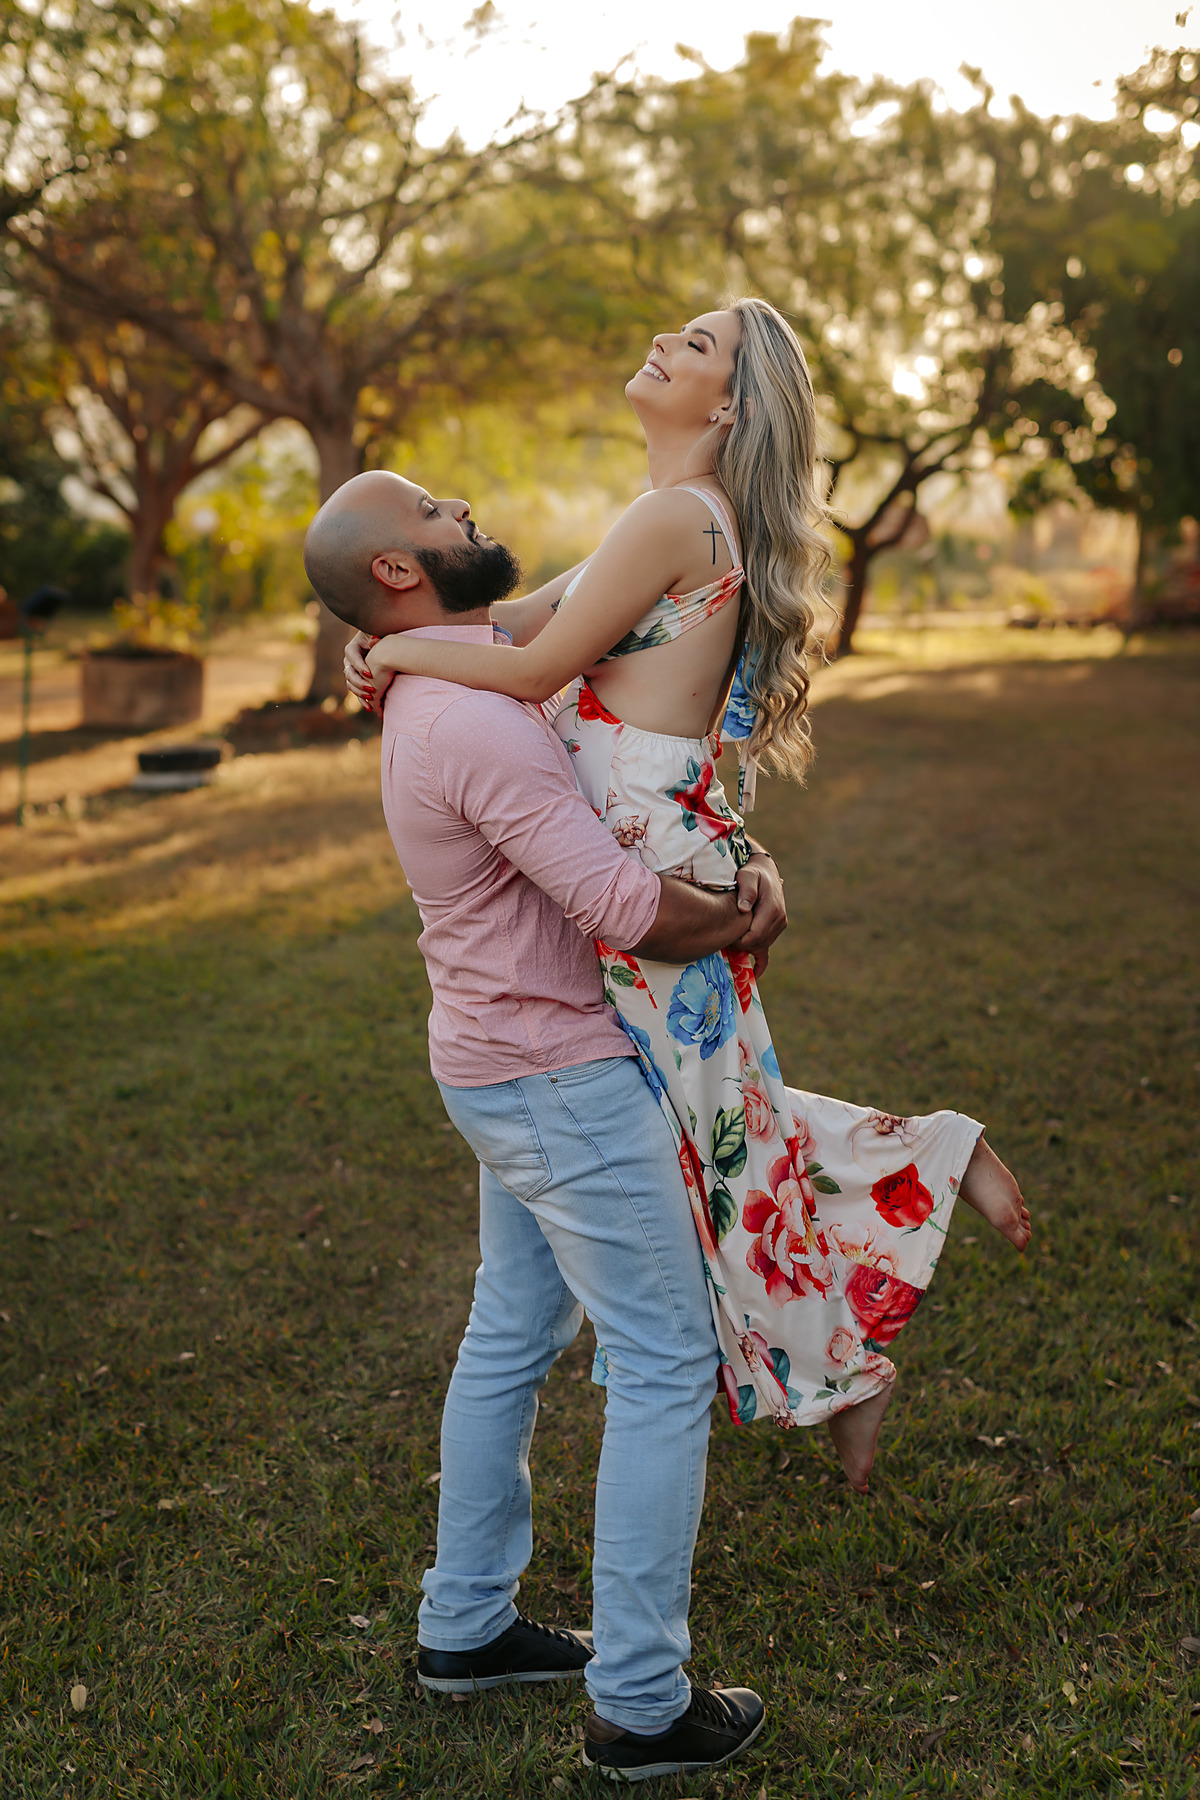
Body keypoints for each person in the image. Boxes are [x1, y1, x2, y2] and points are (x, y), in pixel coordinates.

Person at [344, 297, 1031, 1501]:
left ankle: (892, 1257)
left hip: (651, 862)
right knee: (697, 1123)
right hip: (656, 845)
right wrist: (384, 639)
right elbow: (510, 624)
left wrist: (395, 654)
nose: (666, 340)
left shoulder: (676, 517)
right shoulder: (667, 515)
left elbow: (530, 667)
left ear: (728, 407)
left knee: (712, 1132)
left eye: (699, 345)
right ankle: (899, 1235)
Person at [303, 471, 783, 1780]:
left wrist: (387, 646)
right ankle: (640, 1704)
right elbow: (622, 907)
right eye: (433, 511)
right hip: (556, 1077)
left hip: (497, 1061)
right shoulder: (472, 717)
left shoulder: (451, 674)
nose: (461, 509)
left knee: (513, 1327)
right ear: (396, 572)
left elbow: (574, 613)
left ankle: (465, 1627)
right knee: (667, 1358)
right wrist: (743, 913)